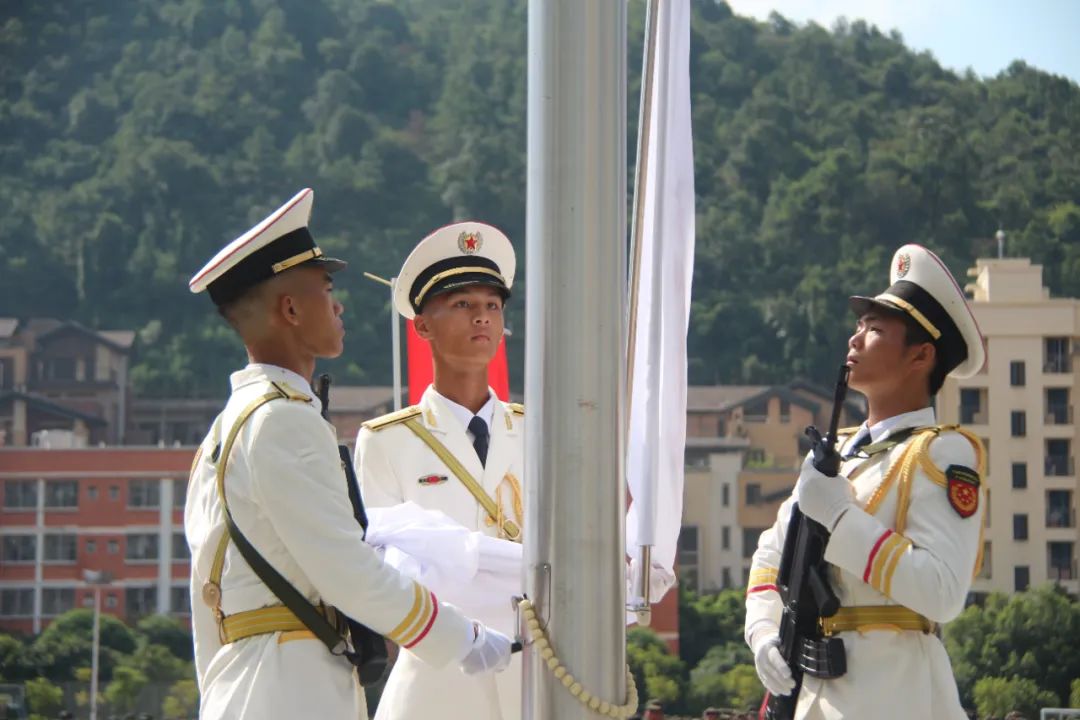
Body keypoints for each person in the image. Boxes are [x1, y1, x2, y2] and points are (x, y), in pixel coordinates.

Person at [185, 190, 512, 720]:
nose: (337, 306)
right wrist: (464, 639)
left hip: (252, 680)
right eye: (325, 289)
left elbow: (208, 599)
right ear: (290, 309)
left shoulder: (228, 427)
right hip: (292, 689)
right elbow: (347, 569)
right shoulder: (283, 420)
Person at [745, 244, 988, 720]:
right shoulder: (834, 455)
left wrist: (839, 519)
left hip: (898, 696)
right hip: (811, 696)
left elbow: (942, 591)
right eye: (859, 325)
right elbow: (771, 556)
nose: (855, 338)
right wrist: (763, 631)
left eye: (874, 329)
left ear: (921, 355)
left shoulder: (940, 453)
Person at [354, 221, 523, 720]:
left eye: (492, 305)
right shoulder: (387, 441)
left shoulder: (539, 433)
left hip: (534, 676)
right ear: (422, 326)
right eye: (463, 304)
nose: (482, 317)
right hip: (437, 683)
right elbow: (382, 573)